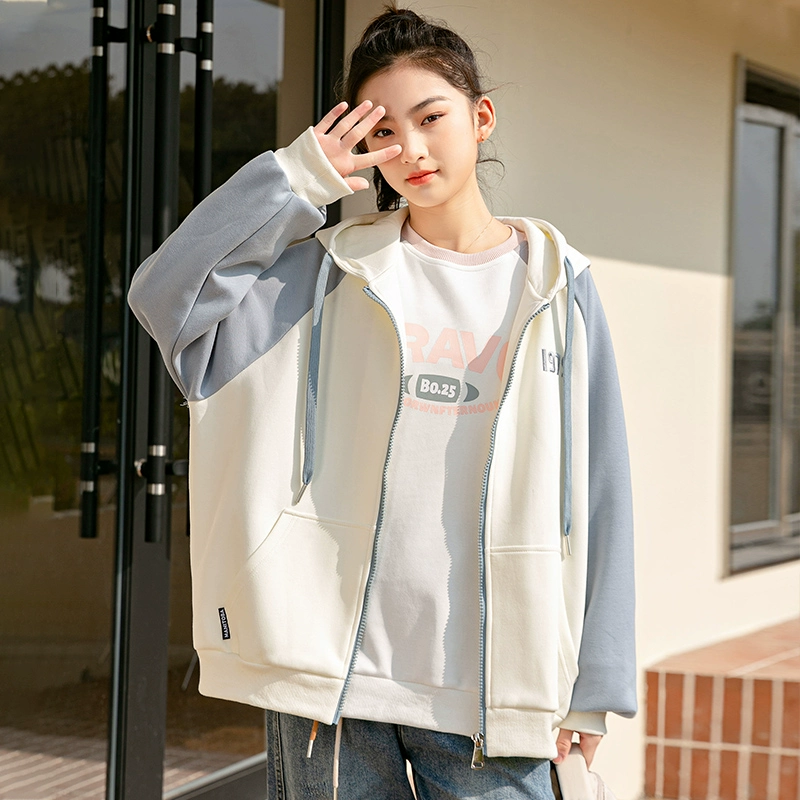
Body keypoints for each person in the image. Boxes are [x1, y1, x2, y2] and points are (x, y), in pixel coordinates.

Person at [128, 6, 636, 799]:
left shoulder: (556, 284)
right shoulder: (324, 274)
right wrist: (298, 179)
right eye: (385, 132)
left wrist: (596, 683)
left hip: (494, 688)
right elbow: (165, 298)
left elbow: (602, 488)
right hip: (329, 686)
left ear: (481, 117)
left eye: (431, 118)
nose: (413, 150)